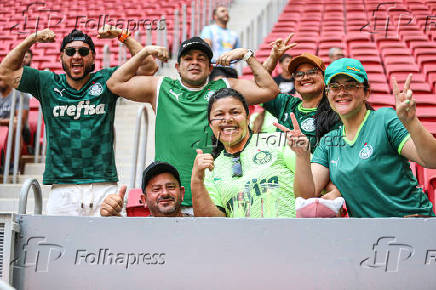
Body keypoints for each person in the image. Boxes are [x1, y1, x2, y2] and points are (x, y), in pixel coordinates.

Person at [107, 37, 279, 213]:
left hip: (215, 198)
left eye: (201, 58)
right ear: (177, 67)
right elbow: (115, 83)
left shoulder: (223, 88)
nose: (195, 62)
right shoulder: (161, 87)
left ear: (210, 67)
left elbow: (270, 90)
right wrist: (144, 52)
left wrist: (246, 55)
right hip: (170, 199)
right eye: (188, 58)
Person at [0, 26, 159, 216]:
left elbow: (149, 67)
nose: (76, 56)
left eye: (83, 52)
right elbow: (5, 71)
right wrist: (31, 40)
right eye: (70, 51)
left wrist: (121, 35)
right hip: (62, 187)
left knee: (109, 244)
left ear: (92, 57)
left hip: (103, 185)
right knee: (58, 244)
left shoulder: (107, 80)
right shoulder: (46, 82)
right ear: (61, 57)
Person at [279, 58, 436, 217]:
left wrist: (411, 122)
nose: (342, 92)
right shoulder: (329, 141)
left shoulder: (385, 119)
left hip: (412, 223)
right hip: (366, 234)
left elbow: (432, 160)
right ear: (327, 94)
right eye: (334, 86)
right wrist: (301, 155)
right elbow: (306, 196)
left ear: (366, 93)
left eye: (350, 85)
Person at [191, 88, 296, 218]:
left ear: (247, 118)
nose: (228, 119)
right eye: (219, 115)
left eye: (235, 112)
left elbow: (314, 186)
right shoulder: (211, 170)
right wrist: (196, 180)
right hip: (243, 238)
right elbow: (212, 223)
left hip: (292, 235)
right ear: (211, 124)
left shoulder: (278, 141)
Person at [263, 48, 341, 152]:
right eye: (299, 74)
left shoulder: (336, 113)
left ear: (324, 78)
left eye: (312, 72)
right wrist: (272, 61)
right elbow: (258, 89)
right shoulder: (286, 103)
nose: (305, 77)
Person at [100, 161, 191, 217]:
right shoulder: (137, 231)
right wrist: (111, 218)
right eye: (156, 189)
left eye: (170, 187)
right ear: (144, 200)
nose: (164, 193)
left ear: (182, 193)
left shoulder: (199, 225)